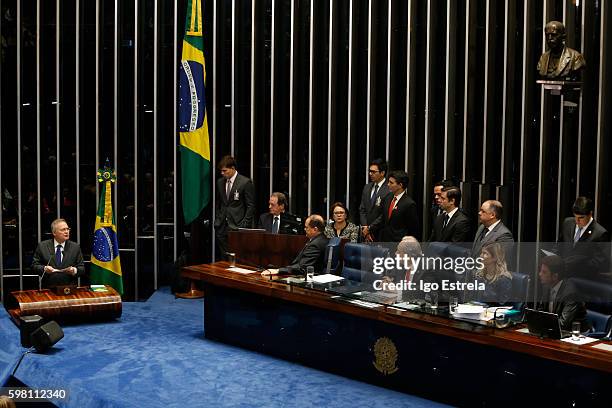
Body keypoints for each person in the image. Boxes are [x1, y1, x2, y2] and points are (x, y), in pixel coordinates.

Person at [558, 197, 610, 280]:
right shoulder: (567, 223)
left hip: (582, 280)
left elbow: (599, 263)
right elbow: (559, 245)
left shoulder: (600, 234)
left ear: (590, 214)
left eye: (581, 218)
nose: (577, 221)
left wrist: (576, 266)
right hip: (562, 277)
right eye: (575, 216)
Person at [214, 156, 256, 258]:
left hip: (237, 225)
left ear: (233, 168)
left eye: (225, 170)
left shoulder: (245, 182)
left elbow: (251, 206)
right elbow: (219, 202)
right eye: (221, 171)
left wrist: (245, 224)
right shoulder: (220, 182)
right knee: (224, 257)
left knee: (237, 257)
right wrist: (218, 218)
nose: (222, 173)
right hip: (222, 225)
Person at [537, 255, 589, 332]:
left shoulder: (571, 294)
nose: (540, 274)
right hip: (554, 332)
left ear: (555, 276)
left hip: (575, 335)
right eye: (540, 271)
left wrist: (543, 324)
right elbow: (541, 313)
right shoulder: (546, 287)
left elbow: (563, 324)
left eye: (544, 272)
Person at [31, 218, 85, 288]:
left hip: (69, 288)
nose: (66, 232)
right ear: (54, 233)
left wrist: (74, 270)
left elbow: (82, 268)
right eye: (63, 230)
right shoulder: (42, 246)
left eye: (67, 229)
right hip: (48, 288)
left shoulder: (75, 247)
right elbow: (34, 266)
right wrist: (44, 268)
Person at [370, 171, 419, 242]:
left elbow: (413, 229)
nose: (388, 184)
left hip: (400, 244)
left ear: (400, 185)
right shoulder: (387, 198)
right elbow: (383, 218)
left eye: (391, 183)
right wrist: (370, 228)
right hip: (385, 242)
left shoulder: (409, 204)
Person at [359, 158, 390, 242]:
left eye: (373, 172)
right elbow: (362, 209)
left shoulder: (389, 189)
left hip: (380, 232)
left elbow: (384, 214)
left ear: (382, 173)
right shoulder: (367, 187)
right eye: (369, 171)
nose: (370, 174)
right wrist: (365, 227)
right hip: (365, 233)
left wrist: (370, 228)